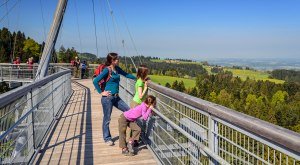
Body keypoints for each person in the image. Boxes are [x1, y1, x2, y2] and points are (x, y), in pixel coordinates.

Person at [93, 52, 136, 146]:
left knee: (129, 111)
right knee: (107, 118)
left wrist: (139, 78)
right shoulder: (107, 70)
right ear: (112, 61)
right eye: (116, 59)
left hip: (116, 97)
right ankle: (107, 138)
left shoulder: (117, 69)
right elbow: (95, 81)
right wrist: (101, 92)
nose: (118, 60)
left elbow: (127, 75)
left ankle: (131, 134)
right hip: (108, 98)